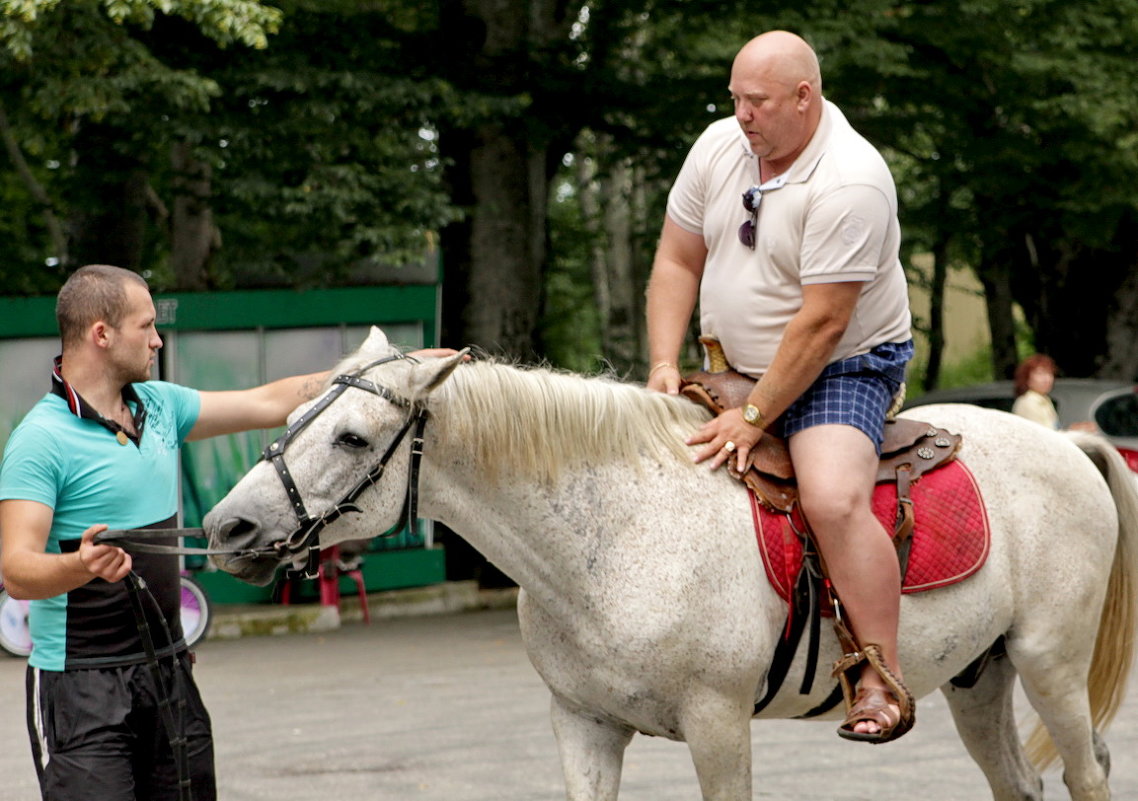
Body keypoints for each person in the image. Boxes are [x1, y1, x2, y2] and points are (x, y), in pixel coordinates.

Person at [0, 264, 453, 800]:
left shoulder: (159, 407)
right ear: (102, 334)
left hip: (169, 675)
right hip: (81, 687)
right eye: (145, 326)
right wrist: (78, 566)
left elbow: (268, 401)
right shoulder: (41, 439)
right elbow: (17, 571)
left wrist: (390, 371)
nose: (157, 339)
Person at [645, 31, 915, 743]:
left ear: (805, 96)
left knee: (830, 494)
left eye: (757, 101)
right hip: (727, 360)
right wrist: (662, 362)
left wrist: (757, 414)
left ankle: (878, 673)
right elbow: (676, 259)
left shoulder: (852, 178)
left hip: (844, 363)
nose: (742, 115)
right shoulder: (717, 146)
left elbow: (824, 323)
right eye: (734, 98)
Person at [1011, 353, 1060, 429]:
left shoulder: (1044, 400)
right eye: (1040, 374)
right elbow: (1042, 436)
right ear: (1027, 378)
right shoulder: (1028, 402)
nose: (1047, 379)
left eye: (1050, 373)